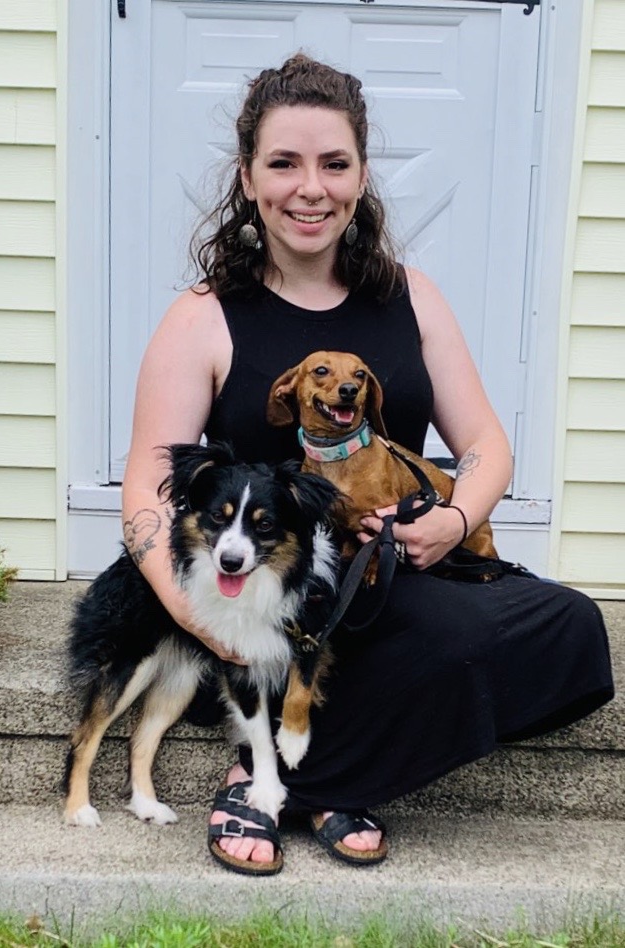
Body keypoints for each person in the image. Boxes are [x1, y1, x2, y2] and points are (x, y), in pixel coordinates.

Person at [121, 54, 614, 873]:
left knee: (569, 626)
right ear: (247, 179)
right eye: (283, 163)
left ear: (358, 178)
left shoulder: (413, 297)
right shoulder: (201, 319)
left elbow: (486, 448)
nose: (308, 187)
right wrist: (190, 609)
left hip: (404, 576)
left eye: (333, 163)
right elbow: (145, 487)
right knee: (447, 640)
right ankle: (267, 773)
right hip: (269, 593)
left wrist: (452, 522)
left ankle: (318, 773)